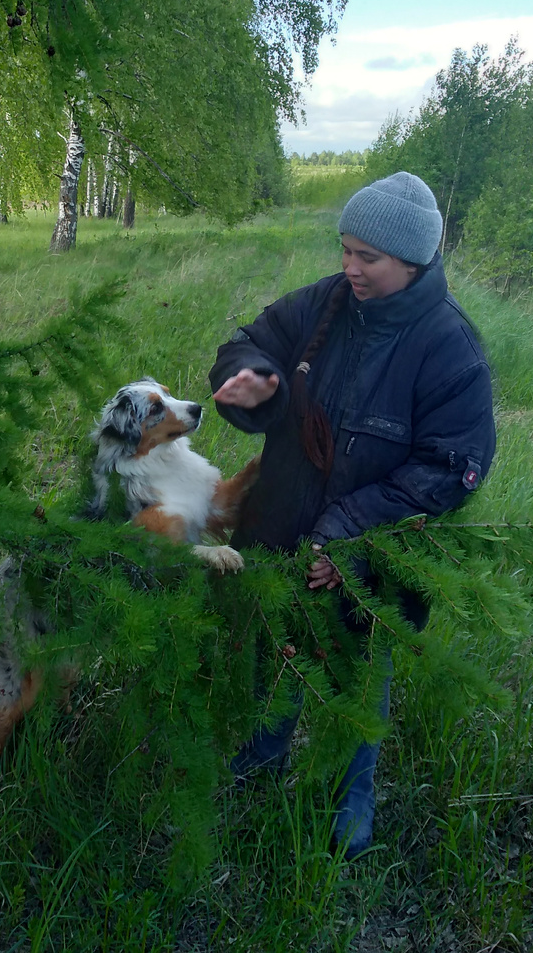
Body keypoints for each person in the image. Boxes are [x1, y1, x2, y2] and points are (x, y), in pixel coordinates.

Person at [209, 171, 496, 858]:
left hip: (369, 559)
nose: (350, 268)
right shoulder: (323, 307)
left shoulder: (449, 347)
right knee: (279, 652)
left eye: (368, 257)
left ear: (414, 260)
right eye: (345, 250)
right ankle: (265, 752)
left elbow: (447, 469)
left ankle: (350, 795)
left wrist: (345, 534)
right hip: (281, 530)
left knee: (359, 673)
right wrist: (255, 381)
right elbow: (251, 341)